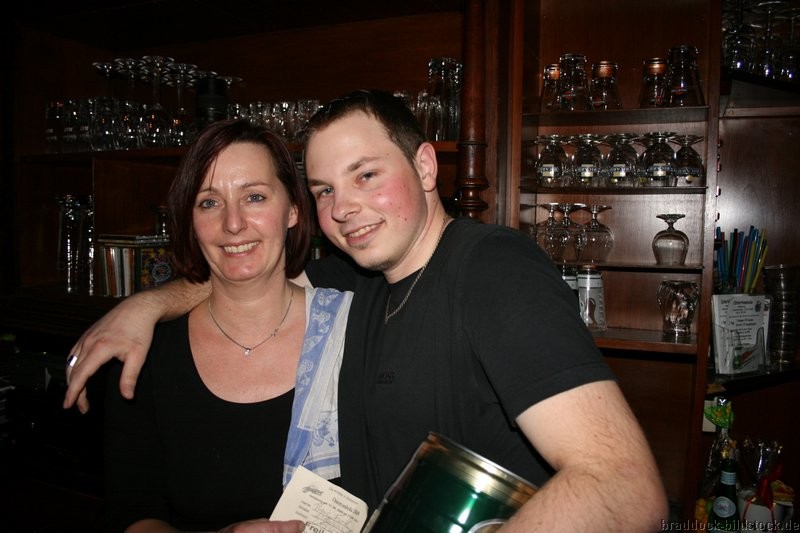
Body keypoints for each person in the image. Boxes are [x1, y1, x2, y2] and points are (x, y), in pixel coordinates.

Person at [65, 90, 668, 531]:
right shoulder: (357, 283)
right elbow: (248, 269)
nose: (344, 207)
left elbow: (625, 487)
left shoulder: (491, 268)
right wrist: (144, 305)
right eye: (326, 190)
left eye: (367, 175)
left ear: (425, 166)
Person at [99, 119, 351, 532]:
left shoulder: (355, 329)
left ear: (292, 209)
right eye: (209, 202)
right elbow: (133, 514)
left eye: (254, 197)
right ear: (189, 219)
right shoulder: (144, 355)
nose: (233, 223)